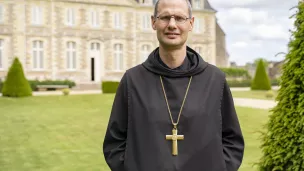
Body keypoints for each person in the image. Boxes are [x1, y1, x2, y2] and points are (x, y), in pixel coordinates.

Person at [103, 0, 245, 170]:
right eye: (164, 17)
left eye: (179, 18)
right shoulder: (132, 80)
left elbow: (232, 141)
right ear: (153, 22)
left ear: (191, 23)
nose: (172, 24)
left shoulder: (215, 80)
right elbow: (114, 142)